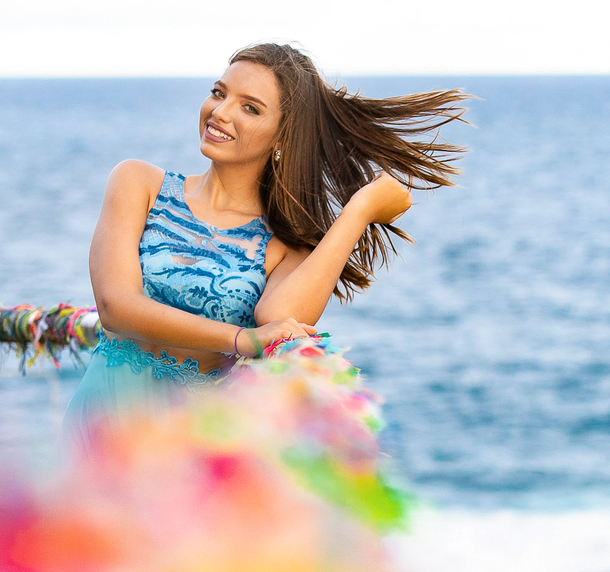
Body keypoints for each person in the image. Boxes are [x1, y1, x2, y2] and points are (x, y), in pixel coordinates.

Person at [62, 42, 467, 450]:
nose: (220, 112)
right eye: (219, 93)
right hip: (101, 427)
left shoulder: (285, 246)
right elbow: (115, 306)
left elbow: (278, 320)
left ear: (281, 137)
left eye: (250, 108)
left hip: (191, 448)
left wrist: (358, 212)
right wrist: (242, 339)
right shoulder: (139, 184)